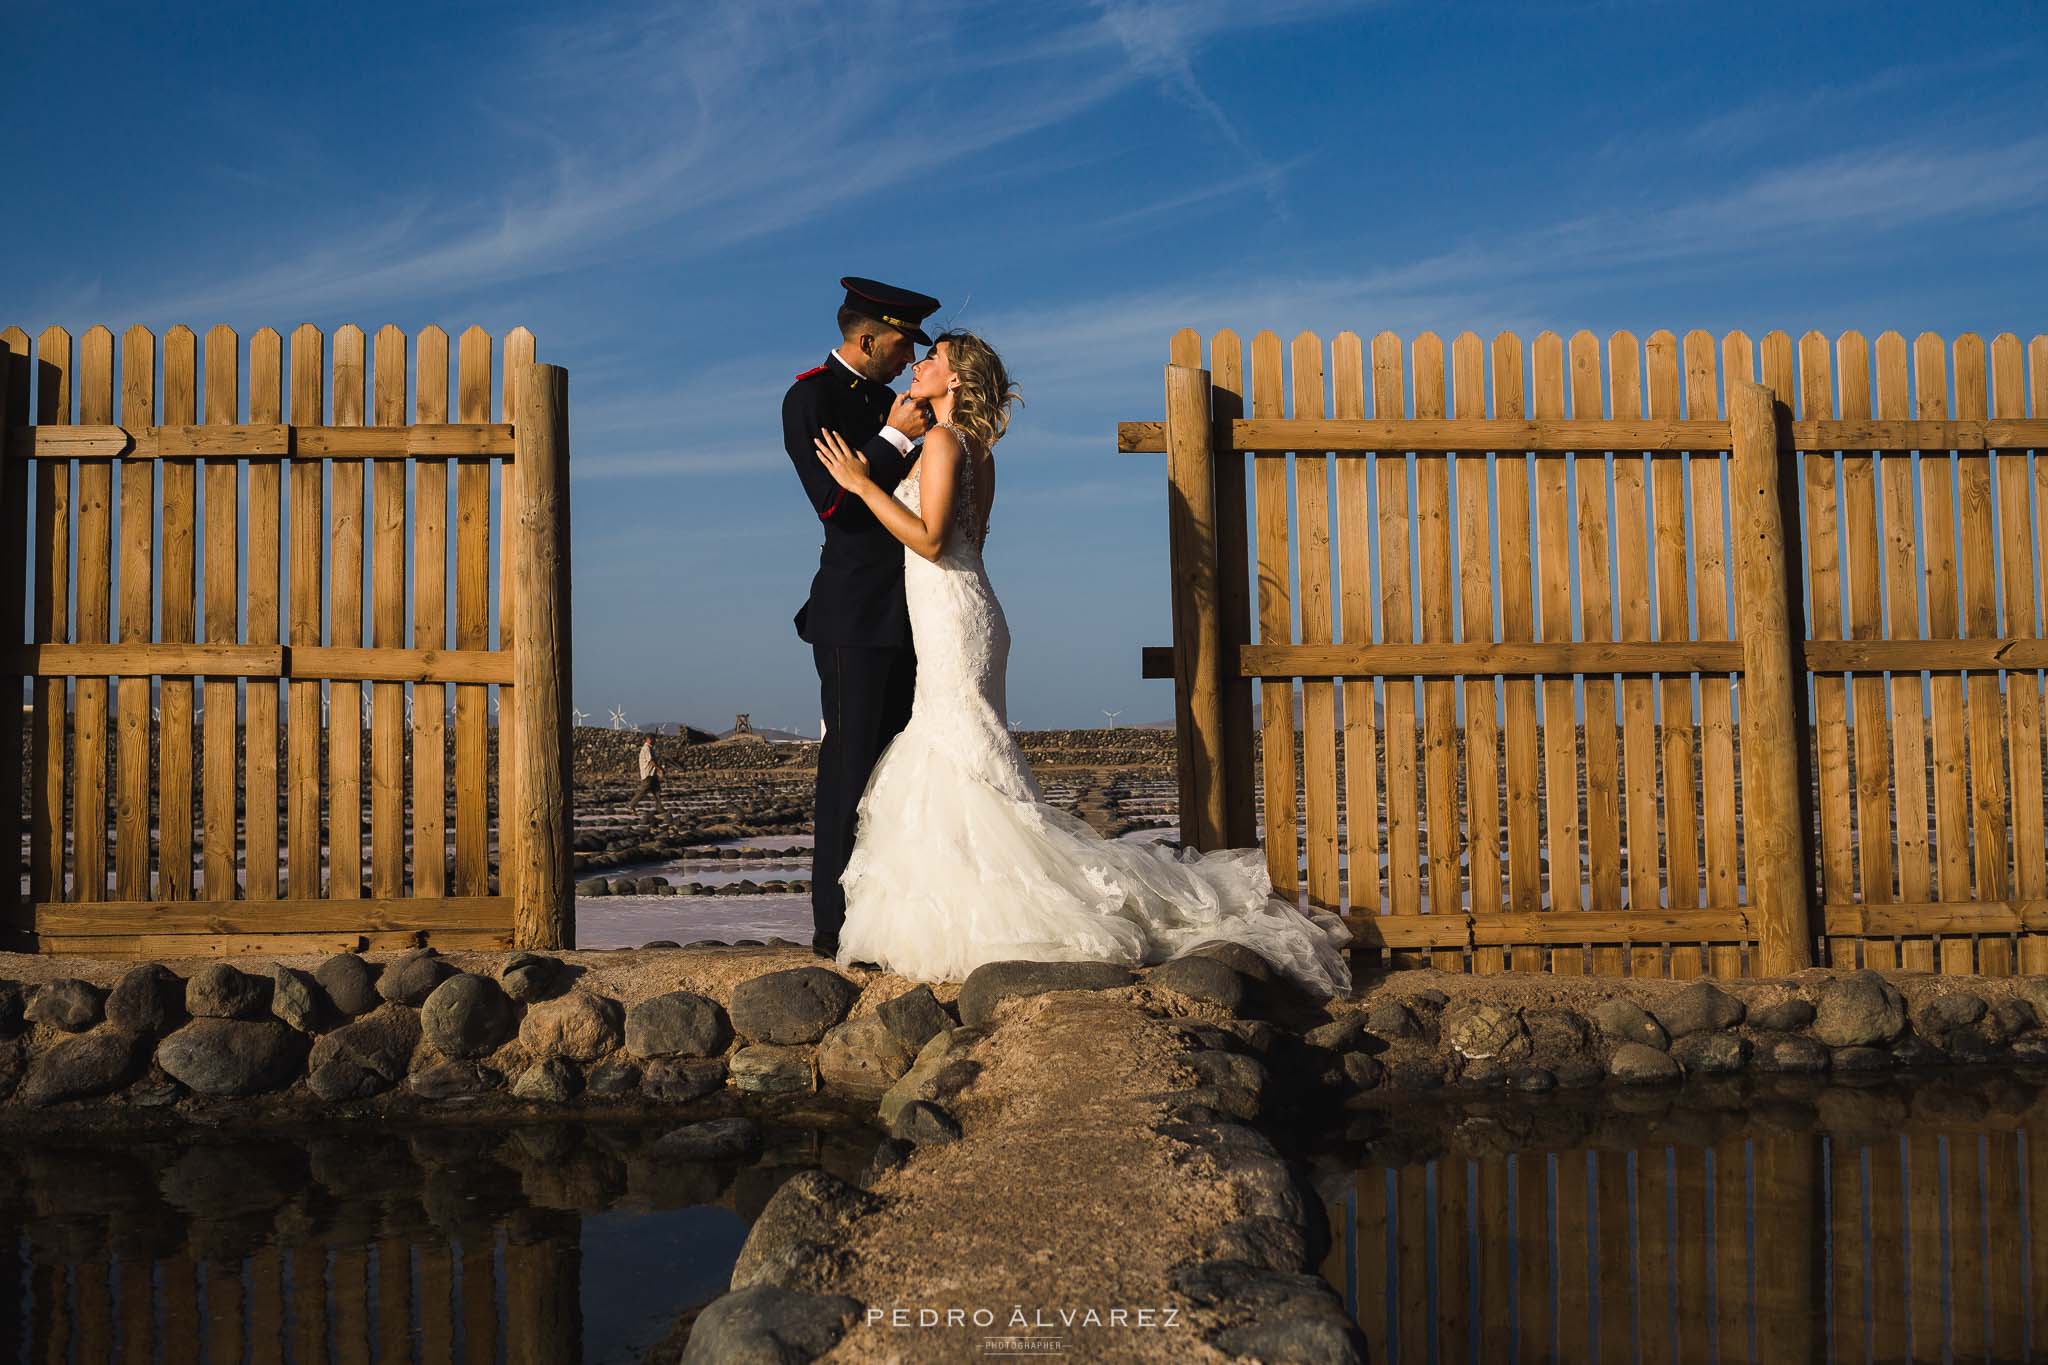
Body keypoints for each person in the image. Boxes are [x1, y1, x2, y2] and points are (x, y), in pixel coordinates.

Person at [811, 332, 1353, 998]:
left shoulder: (948, 445)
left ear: (954, 382)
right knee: (961, 750)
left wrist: (864, 484)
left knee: (955, 747)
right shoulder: (978, 451)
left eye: (934, 359)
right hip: (965, 608)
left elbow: (928, 540)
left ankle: (994, 911)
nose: (919, 365)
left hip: (953, 612)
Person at [782, 277, 942, 960]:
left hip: (917, 610)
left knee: (899, 772)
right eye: (902, 342)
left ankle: (888, 919)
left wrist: (896, 431)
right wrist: (892, 437)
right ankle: (834, 927)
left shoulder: (893, 404)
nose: (909, 358)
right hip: (853, 614)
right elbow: (835, 504)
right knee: (848, 772)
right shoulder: (811, 397)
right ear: (867, 335)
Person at [632, 734, 660, 811]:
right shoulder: (646, 748)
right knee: (643, 790)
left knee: (657, 791)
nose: (655, 741)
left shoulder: (650, 748)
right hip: (647, 773)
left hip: (652, 773)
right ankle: (631, 805)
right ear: (649, 739)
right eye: (654, 739)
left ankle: (660, 808)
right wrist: (659, 769)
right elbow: (651, 761)